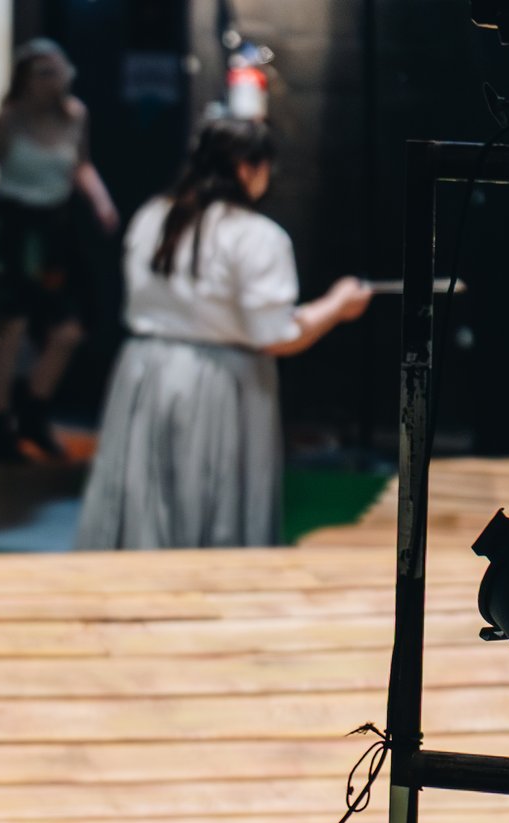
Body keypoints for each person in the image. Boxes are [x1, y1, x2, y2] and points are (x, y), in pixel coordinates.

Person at [75, 118, 369, 549]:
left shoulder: (151, 216)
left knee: (144, 499)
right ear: (249, 169)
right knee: (210, 503)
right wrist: (337, 305)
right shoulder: (255, 235)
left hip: (145, 368)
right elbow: (277, 335)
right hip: (218, 382)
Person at [0, 40, 119, 464]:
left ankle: (34, 413)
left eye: (57, 70)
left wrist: (100, 200)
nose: (53, 80)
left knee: (68, 330)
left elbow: (80, 163)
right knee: (12, 330)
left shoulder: (76, 116)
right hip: (11, 230)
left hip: (54, 229)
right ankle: (0, 425)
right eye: (42, 73)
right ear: (25, 80)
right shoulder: (6, 124)